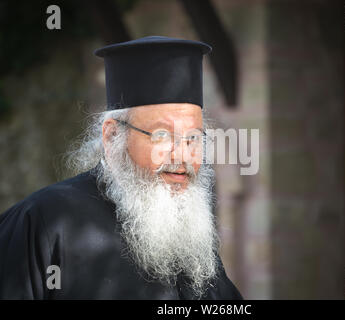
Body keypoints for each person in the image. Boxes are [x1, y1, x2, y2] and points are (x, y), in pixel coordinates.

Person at [0, 36, 243, 299]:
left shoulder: (190, 241)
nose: (183, 155)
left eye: (193, 138)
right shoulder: (42, 222)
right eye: (162, 136)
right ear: (112, 135)